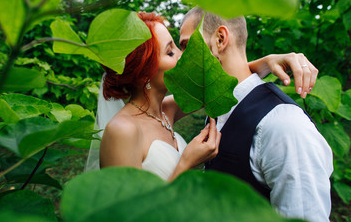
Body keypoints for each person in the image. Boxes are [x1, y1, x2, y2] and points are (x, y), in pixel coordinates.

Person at [88, 12, 321, 183]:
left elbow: (227, 86)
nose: (183, 56)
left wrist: (266, 62)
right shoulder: (123, 130)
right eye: (170, 52)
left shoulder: (164, 111)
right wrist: (186, 164)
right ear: (143, 73)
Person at [178, 7, 333, 222]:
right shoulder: (219, 107)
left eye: (186, 46)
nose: (178, 60)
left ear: (220, 39)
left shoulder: (284, 125)